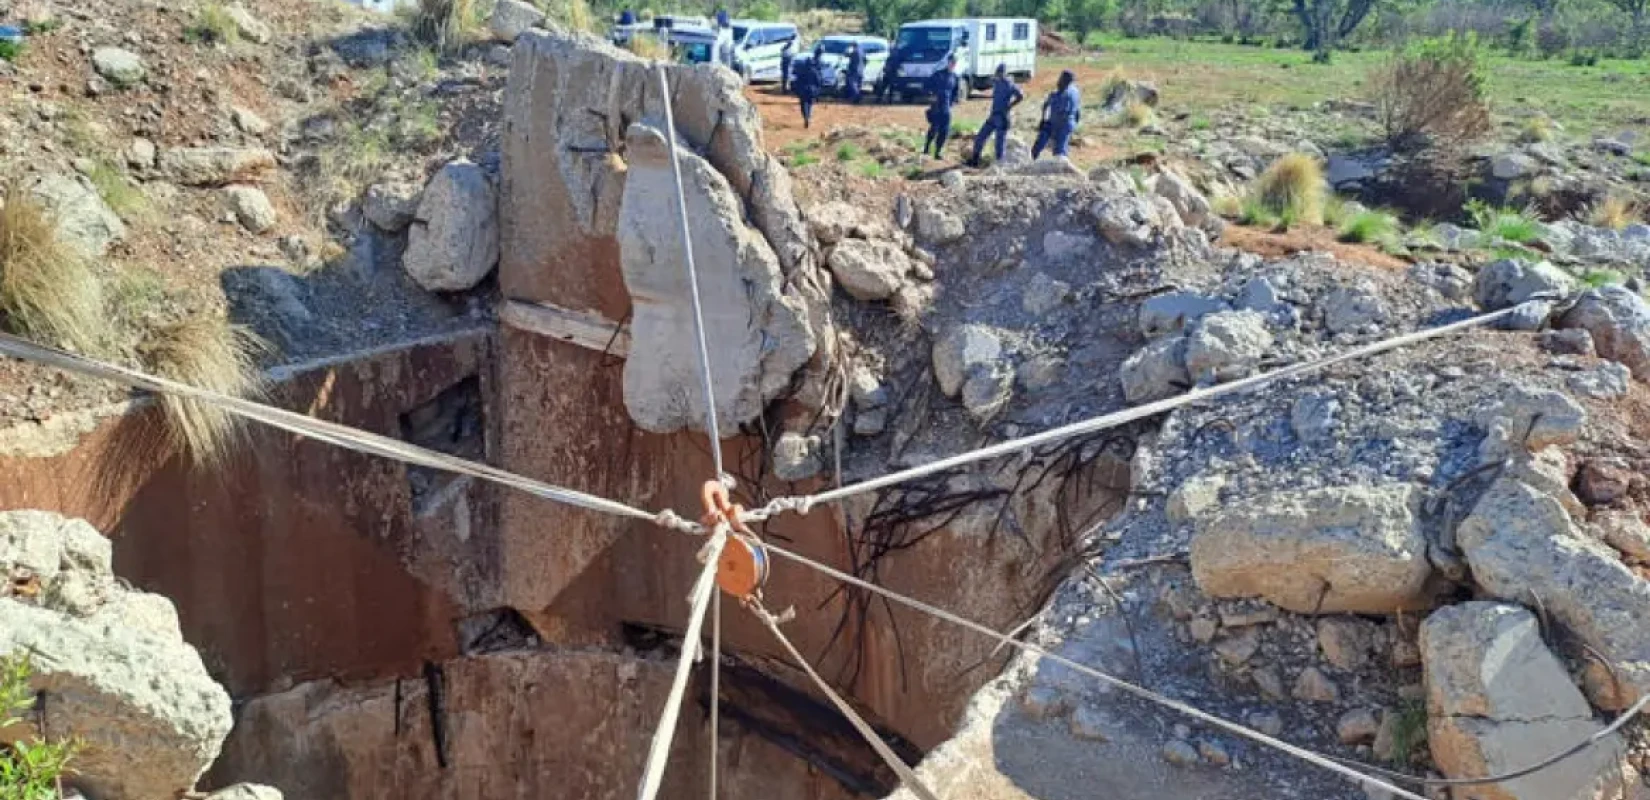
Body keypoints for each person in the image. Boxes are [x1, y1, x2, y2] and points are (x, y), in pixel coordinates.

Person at [969, 64, 1023, 167]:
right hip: (993, 116)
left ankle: (999, 165)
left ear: (1004, 73)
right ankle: (975, 160)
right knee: (980, 137)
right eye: (997, 73)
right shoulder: (997, 82)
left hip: (1002, 117)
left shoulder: (1009, 84)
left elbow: (1020, 96)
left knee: (999, 144)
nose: (998, 75)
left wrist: (1010, 106)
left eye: (1000, 73)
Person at [1032, 70, 1081, 160]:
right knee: (1055, 146)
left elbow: (1059, 110)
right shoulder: (1075, 91)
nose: (1058, 81)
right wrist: (1075, 124)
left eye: (1061, 79)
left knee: (1059, 150)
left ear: (1065, 81)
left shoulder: (1061, 94)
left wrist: (1043, 120)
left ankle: (1058, 165)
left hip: (1060, 123)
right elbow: (1077, 111)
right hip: (1066, 123)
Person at [921, 54, 962, 159]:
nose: (952, 64)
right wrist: (931, 96)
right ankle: (926, 148)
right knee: (934, 128)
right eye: (951, 62)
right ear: (948, 62)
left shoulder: (955, 77)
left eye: (954, 63)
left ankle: (938, 152)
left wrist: (953, 102)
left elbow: (956, 92)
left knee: (945, 130)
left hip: (946, 107)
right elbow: (926, 86)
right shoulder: (938, 74)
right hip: (936, 105)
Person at [794, 46, 823, 129]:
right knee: (810, 104)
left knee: (803, 105)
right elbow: (819, 81)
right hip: (812, 91)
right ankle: (808, 117)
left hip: (803, 90)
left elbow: (797, 81)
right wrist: (818, 91)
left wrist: (797, 90)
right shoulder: (815, 72)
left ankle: (806, 117)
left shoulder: (802, 71)